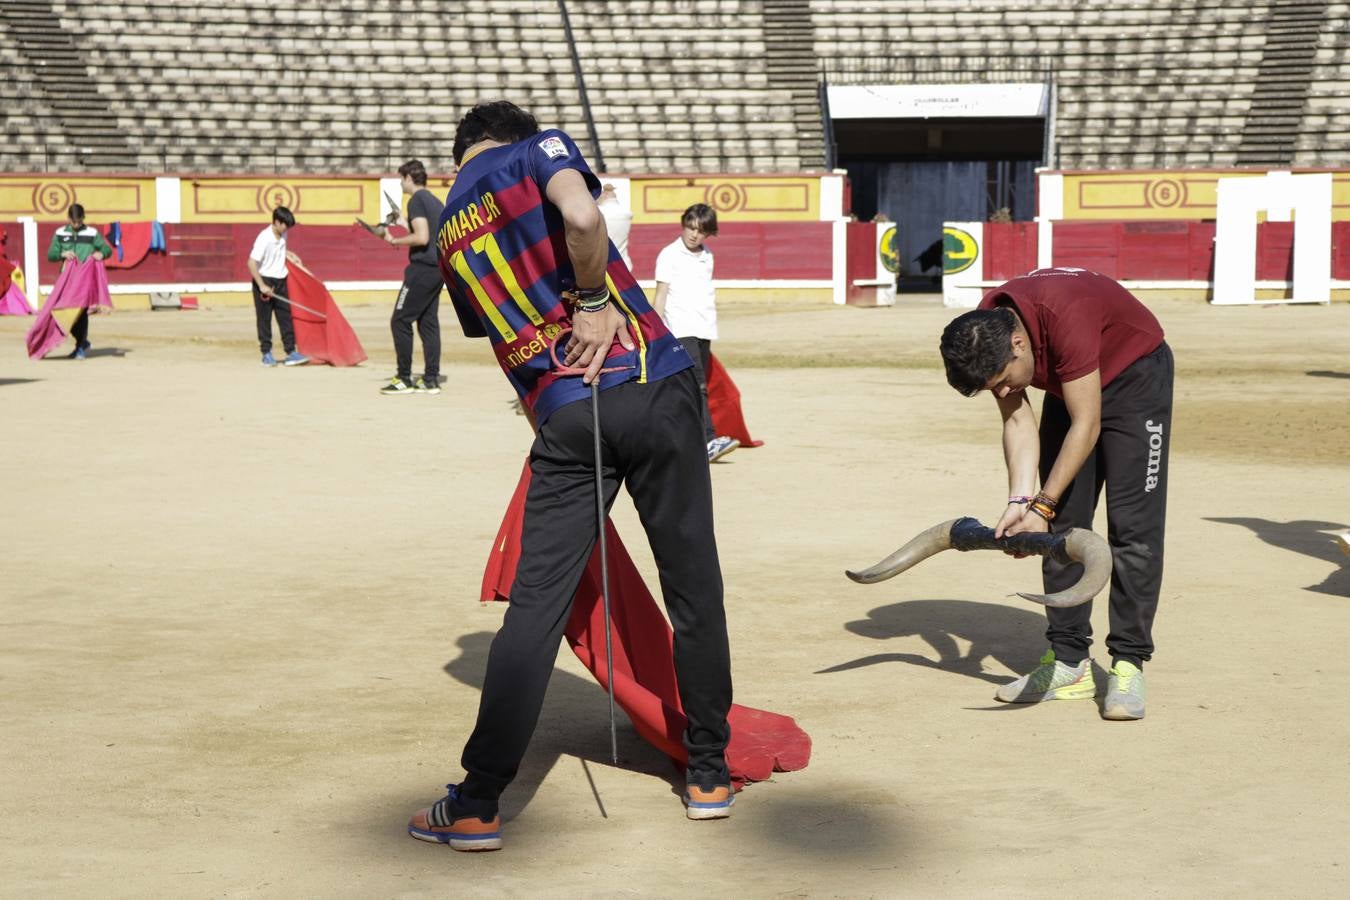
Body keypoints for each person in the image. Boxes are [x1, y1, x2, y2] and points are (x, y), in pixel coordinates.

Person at [407, 101, 733, 852]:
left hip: (563, 414)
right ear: (514, 135)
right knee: (693, 585)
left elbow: (505, 336)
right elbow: (583, 217)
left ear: (460, 154)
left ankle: (479, 802)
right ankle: (709, 775)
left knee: (534, 611)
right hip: (652, 382)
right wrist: (591, 301)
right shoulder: (535, 152)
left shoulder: (449, 232)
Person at [938, 267, 1173, 721]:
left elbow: (1087, 423)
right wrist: (1022, 504)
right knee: (1060, 528)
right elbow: (1017, 419)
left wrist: (1042, 502)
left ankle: (1128, 663)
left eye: (1003, 380)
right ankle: (1069, 664)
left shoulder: (1067, 313)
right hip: (1071, 382)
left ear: (1018, 344)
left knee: (1133, 530)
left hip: (1136, 378)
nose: (1003, 391)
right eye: (992, 389)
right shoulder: (986, 330)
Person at [652, 203, 739, 462]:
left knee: (689, 388)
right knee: (698, 386)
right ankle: (708, 440)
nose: (694, 234)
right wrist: (655, 334)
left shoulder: (707, 255)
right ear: (683, 225)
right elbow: (661, 295)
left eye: (701, 231)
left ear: (708, 233)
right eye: (690, 228)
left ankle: (678, 440)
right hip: (680, 329)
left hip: (704, 329)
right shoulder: (669, 255)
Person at [379, 159, 446, 395]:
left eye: (401, 179)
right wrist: (403, 223)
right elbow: (427, 232)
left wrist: (393, 240)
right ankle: (430, 379)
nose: (400, 184)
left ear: (409, 178)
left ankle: (404, 378)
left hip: (421, 269)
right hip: (437, 269)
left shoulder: (416, 200)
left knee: (400, 320)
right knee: (428, 323)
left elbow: (421, 237)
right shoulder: (434, 201)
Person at [47, 204, 113, 359]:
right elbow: (51, 255)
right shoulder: (60, 233)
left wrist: (101, 254)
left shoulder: (92, 233)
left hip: (84, 281)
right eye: (73, 221)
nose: (76, 225)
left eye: (79, 221)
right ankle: (82, 342)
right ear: (68, 218)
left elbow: (107, 249)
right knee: (61, 312)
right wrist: (62, 253)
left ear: (83, 218)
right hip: (67, 280)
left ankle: (80, 346)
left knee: (81, 313)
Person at [247, 207, 309, 367]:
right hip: (264, 280)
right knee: (264, 319)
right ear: (276, 222)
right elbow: (251, 262)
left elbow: (278, 249)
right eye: (285, 225)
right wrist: (262, 286)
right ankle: (266, 354)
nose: (287, 229)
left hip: (281, 280)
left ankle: (291, 352)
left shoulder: (283, 233)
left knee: (285, 317)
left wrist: (290, 254)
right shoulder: (264, 238)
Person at [596, 182, 632, 269]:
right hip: (623, 263)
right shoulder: (626, 213)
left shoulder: (600, 212)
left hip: (604, 265)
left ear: (604, 195)